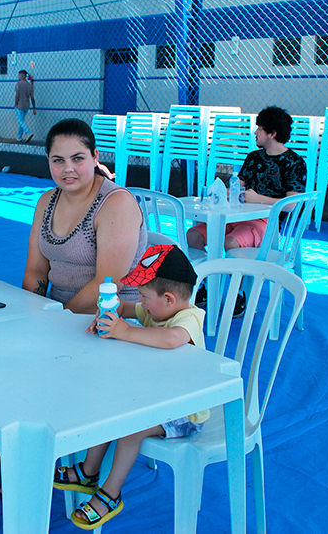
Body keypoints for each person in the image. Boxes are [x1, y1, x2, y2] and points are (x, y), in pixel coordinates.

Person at [0, 118, 147, 514]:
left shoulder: (116, 203)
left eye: (78, 158)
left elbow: (109, 283)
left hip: (110, 322)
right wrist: (26, 314)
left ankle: (22, 459)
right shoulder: (48, 201)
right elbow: (35, 271)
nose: (68, 169)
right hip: (59, 315)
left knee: (20, 364)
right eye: (58, 160)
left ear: (95, 157)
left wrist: (48, 321)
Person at [55, 243, 208, 529]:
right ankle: (88, 471)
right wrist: (108, 312)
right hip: (155, 398)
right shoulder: (156, 310)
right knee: (109, 407)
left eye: (144, 295)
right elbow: (125, 307)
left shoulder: (187, 318)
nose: (140, 300)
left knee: (131, 426)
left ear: (168, 299)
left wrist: (125, 331)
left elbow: (171, 339)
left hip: (184, 411)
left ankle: (111, 493)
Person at [185, 105, 306, 314]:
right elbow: (237, 187)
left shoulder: (294, 163)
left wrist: (259, 199)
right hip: (235, 217)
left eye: (260, 128)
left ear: (272, 133)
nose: (255, 132)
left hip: (266, 223)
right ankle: (204, 285)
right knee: (193, 235)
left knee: (230, 242)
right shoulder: (253, 157)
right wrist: (223, 194)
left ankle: (237, 294)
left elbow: (291, 204)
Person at [13, 69, 36, 143]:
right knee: (22, 121)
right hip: (26, 106)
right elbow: (32, 98)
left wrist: (15, 104)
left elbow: (17, 96)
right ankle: (19, 137)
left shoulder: (18, 84)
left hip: (19, 105)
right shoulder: (30, 86)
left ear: (22, 76)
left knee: (20, 120)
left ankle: (28, 133)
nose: (18, 76)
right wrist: (34, 108)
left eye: (19, 75)